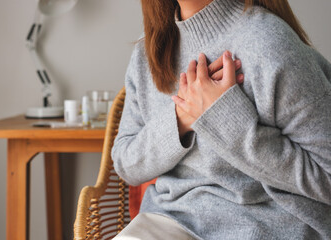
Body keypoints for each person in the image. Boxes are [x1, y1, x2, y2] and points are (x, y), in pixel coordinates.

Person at [111, 0, 331, 239]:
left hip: (267, 225)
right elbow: (126, 164)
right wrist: (181, 116)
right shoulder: (147, 55)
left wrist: (223, 116)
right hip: (169, 222)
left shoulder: (268, 42)